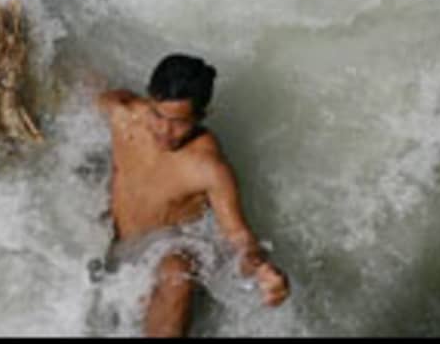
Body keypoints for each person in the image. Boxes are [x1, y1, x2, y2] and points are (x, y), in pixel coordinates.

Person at [84, 53, 289, 337]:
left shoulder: (208, 167)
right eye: (157, 115)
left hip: (159, 257)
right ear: (149, 99)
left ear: (203, 116)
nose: (165, 131)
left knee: (177, 271)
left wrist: (261, 267)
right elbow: (80, 94)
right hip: (110, 250)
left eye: (180, 122)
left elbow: (238, 236)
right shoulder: (124, 115)